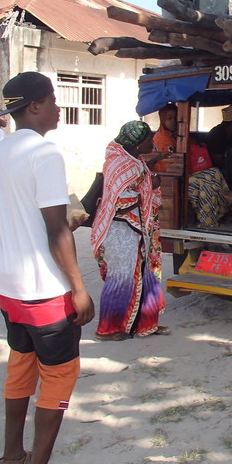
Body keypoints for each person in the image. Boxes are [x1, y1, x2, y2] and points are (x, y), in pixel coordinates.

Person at [0, 72, 95, 464]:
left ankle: (11, 457)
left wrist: (22, 225)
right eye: (54, 100)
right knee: (59, 375)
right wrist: (79, 289)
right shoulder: (44, 154)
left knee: (21, 362)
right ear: (34, 106)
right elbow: (56, 229)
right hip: (44, 290)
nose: (59, 108)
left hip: (5, 285)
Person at [90, 120, 170, 341]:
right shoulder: (122, 165)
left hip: (138, 230)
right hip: (121, 231)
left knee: (147, 274)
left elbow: (138, 176)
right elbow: (122, 202)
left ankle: (146, 325)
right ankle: (108, 329)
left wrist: (151, 166)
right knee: (121, 278)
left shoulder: (131, 160)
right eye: (149, 140)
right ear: (137, 144)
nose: (152, 143)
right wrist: (151, 186)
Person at [153, 103, 231, 228]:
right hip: (169, 181)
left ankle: (221, 211)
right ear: (162, 120)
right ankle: (207, 222)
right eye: (169, 118)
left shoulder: (175, 135)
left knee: (214, 172)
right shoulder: (162, 139)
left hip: (181, 176)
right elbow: (168, 166)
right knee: (206, 182)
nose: (173, 122)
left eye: (176, 118)